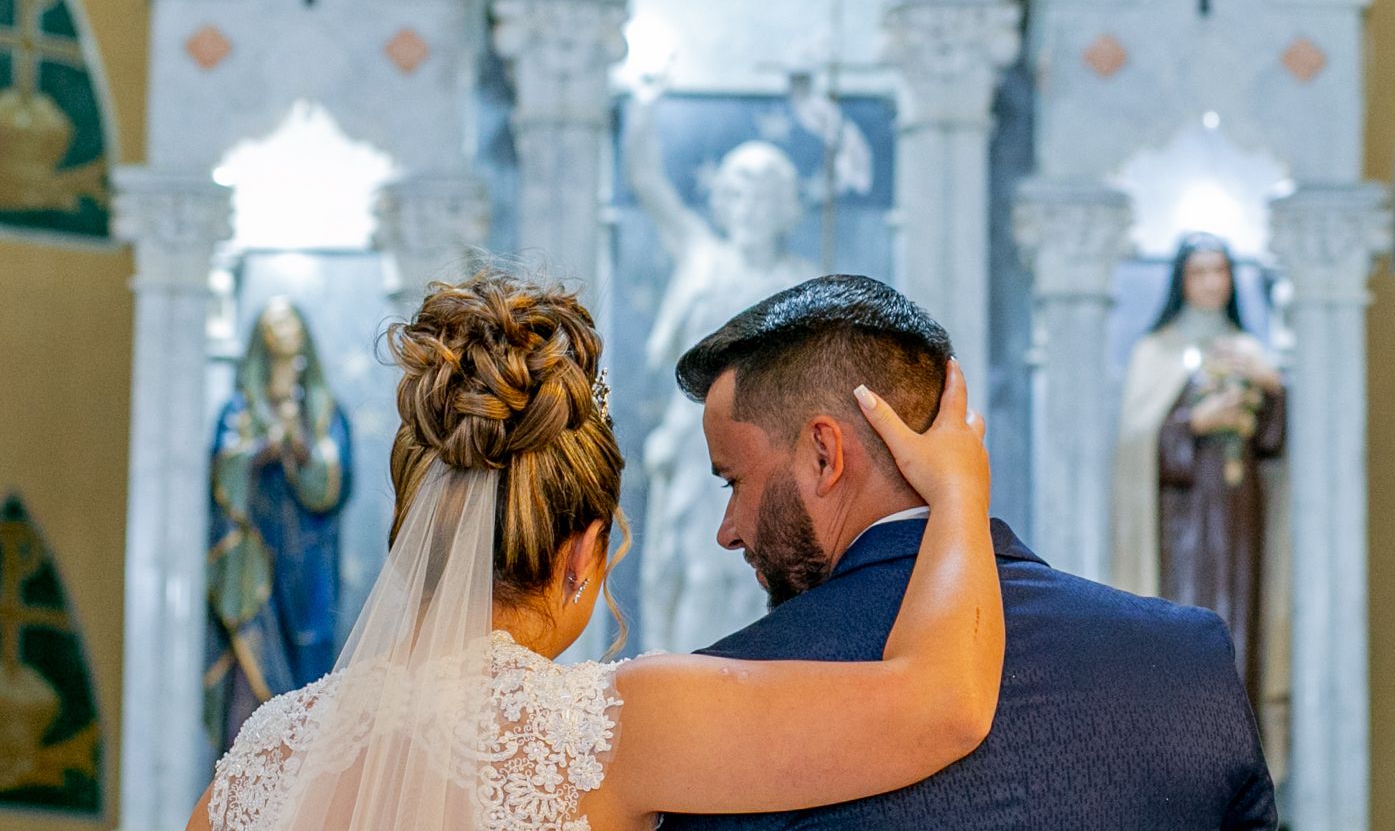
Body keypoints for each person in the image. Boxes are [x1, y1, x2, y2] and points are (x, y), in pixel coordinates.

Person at [186, 269, 1001, 831]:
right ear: (583, 553)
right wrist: (959, 487)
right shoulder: (611, 729)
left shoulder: (262, 754)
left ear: (413, 530)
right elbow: (945, 706)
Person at [659, 274, 1278, 831]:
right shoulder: (1187, 655)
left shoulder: (717, 708)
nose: (727, 531)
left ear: (825, 455)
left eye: (732, 481)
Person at [622, 96, 816, 651]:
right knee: (696, 569)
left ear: (786, 207)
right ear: (725, 204)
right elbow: (647, 182)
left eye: (765, 197)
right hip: (695, 446)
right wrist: (643, 103)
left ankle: (753, 682)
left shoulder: (802, 280)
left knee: (762, 569)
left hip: (775, 447)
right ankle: (691, 683)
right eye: (740, 195)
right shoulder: (701, 257)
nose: (751, 209)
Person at [1115, 233, 1285, 706]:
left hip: (1238, 508)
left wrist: (1270, 387)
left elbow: (1273, 444)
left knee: (1240, 615)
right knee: (1184, 610)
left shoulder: (1249, 349)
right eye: (1200, 272)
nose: (1212, 282)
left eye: (1220, 271)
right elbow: (1135, 442)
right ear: (1181, 281)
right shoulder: (1156, 351)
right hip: (1181, 517)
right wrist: (1194, 423)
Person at [205, 298, 351, 751]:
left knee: (307, 681)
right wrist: (259, 452)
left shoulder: (324, 413)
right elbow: (224, 467)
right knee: (248, 679)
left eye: (290, 322)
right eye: (275, 323)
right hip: (251, 563)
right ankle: (244, 771)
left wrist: (302, 450)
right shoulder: (240, 410)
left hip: (306, 560)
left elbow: (334, 480)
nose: (283, 330)